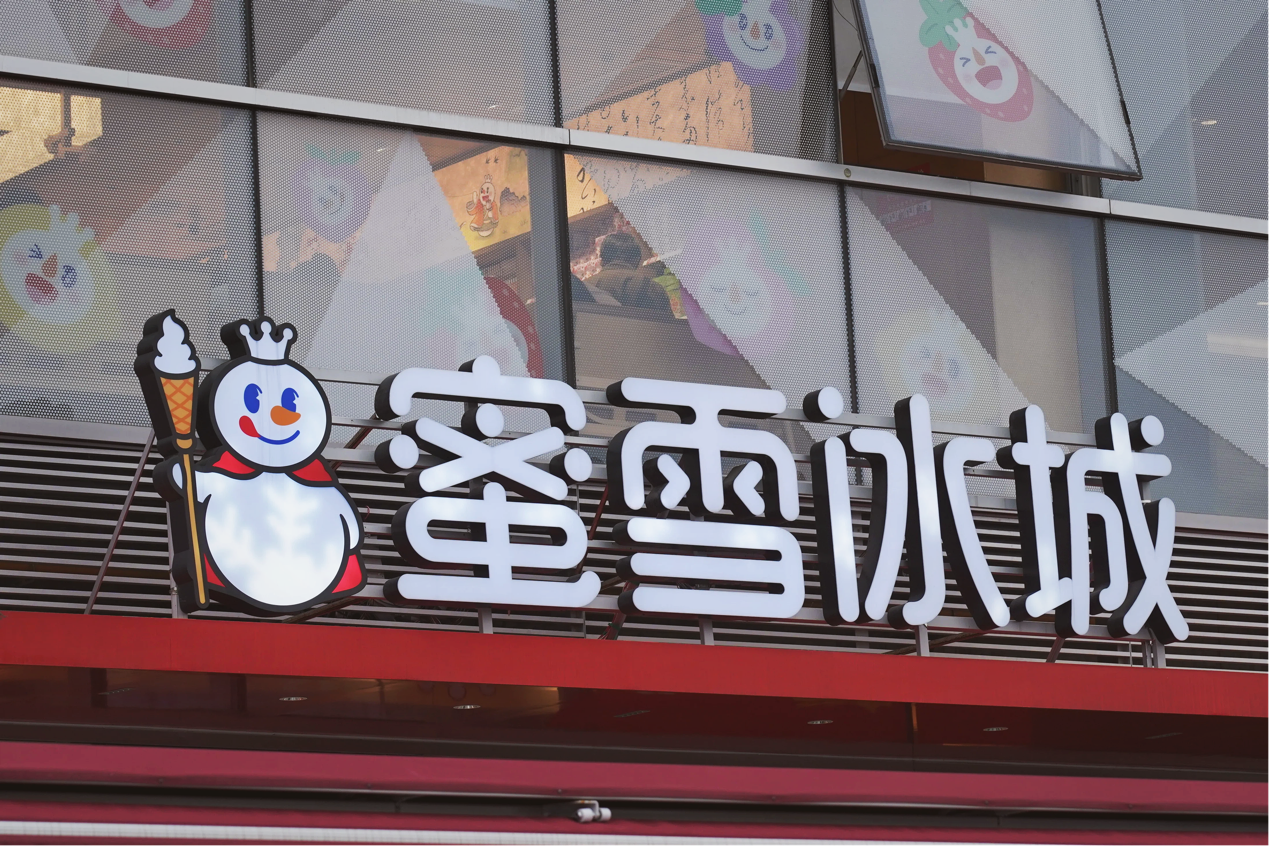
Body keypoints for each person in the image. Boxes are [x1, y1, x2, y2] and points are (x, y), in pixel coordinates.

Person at [587, 232, 672, 313]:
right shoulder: (653, 288)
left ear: (601, 261)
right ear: (637, 260)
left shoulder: (586, 287)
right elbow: (668, 322)